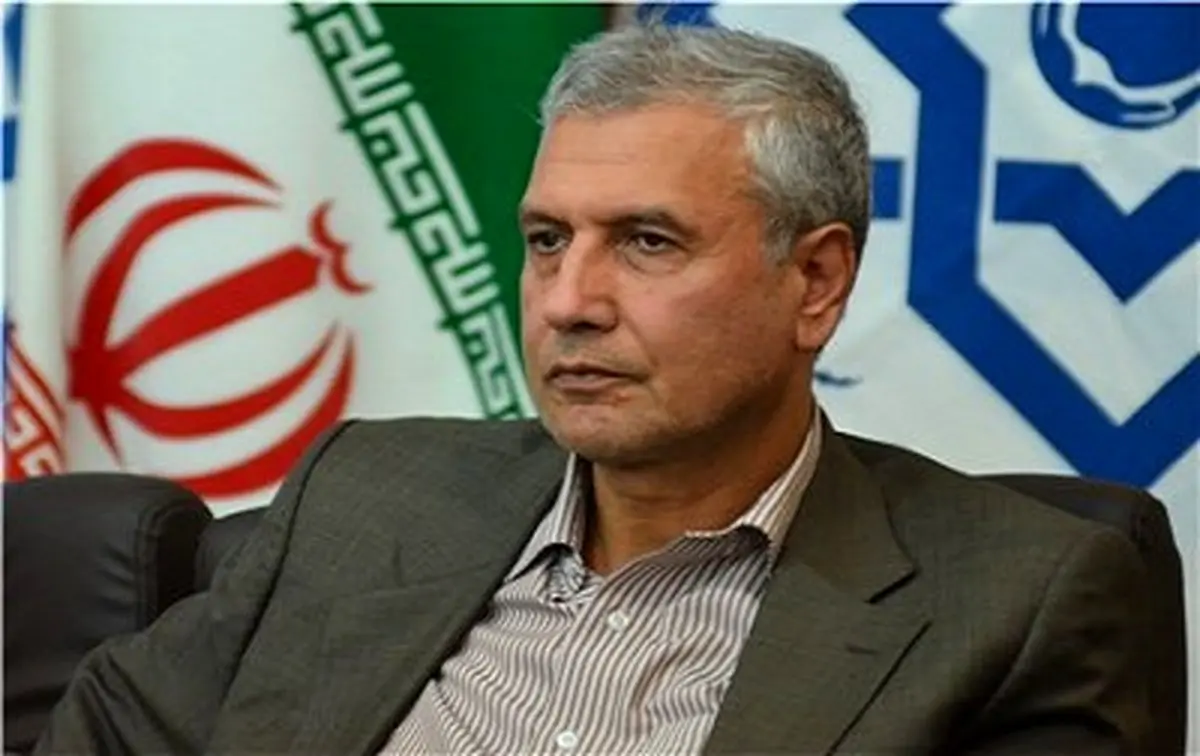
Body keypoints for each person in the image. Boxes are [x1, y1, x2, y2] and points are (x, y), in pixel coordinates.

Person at [38, 22, 1152, 755]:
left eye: (648, 242)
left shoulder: (1013, 603)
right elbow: (106, 733)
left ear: (814, 282)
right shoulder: (369, 492)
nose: (568, 301)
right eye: (545, 240)